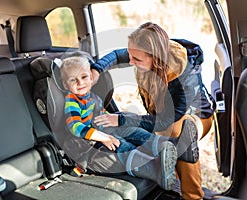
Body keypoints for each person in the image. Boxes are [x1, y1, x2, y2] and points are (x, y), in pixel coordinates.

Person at [91, 22, 215, 200]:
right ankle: (171, 186)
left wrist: (122, 120)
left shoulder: (185, 76)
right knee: (144, 129)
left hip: (197, 117)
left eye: (137, 60)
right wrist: (97, 70)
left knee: (181, 132)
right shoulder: (143, 51)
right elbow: (118, 55)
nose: (131, 62)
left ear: (156, 58)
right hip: (164, 119)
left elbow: (166, 120)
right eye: (131, 56)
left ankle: (193, 196)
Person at [59, 55, 199, 191]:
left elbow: (100, 115)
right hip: (90, 144)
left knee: (134, 131)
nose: (80, 83)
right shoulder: (72, 100)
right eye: (73, 80)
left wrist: (113, 120)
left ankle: (173, 145)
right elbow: (75, 127)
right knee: (123, 146)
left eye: (84, 77)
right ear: (65, 84)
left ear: (91, 77)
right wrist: (103, 137)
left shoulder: (93, 97)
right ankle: (155, 169)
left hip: (105, 131)